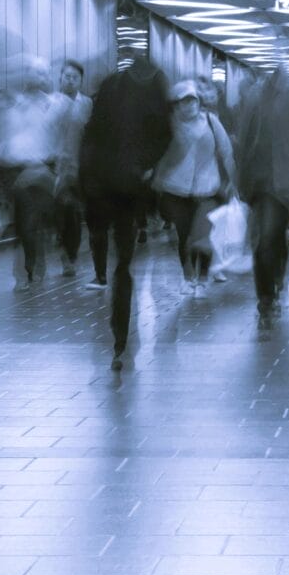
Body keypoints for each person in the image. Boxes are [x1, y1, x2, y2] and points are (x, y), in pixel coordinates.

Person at [78, 50, 173, 371]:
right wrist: (145, 167)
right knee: (125, 261)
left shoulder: (110, 85)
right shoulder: (156, 86)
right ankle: (119, 335)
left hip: (102, 183)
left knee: (108, 245)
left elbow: (91, 133)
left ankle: (118, 333)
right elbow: (164, 134)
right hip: (129, 187)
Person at [235, 66, 289, 329]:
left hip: (284, 181)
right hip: (261, 181)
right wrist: (240, 180)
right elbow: (243, 140)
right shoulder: (255, 97)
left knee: (273, 236)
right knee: (266, 238)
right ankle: (267, 296)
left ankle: (273, 287)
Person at [152, 76, 235, 298]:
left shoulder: (210, 121)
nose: (189, 105)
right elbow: (158, 153)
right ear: (176, 104)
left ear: (198, 101)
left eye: (192, 100)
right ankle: (189, 278)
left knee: (204, 236)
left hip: (208, 189)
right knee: (185, 236)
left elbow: (226, 151)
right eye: (183, 101)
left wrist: (234, 182)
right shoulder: (169, 125)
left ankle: (203, 276)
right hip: (176, 189)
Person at [0, 65, 60, 285]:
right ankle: (31, 263)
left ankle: (29, 268)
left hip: (39, 168)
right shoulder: (12, 105)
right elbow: (5, 136)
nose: (35, 80)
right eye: (32, 75)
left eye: (41, 75)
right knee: (23, 222)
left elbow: (56, 138)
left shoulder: (52, 105)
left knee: (30, 220)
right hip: (13, 169)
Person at [50, 60, 89, 279]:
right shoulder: (51, 102)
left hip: (79, 168)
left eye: (75, 76)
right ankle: (64, 249)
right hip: (55, 167)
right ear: (60, 78)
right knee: (61, 213)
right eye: (67, 76)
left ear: (81, 80)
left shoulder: (88, 104)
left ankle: (70, 255)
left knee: (73, 212)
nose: (71, 79)